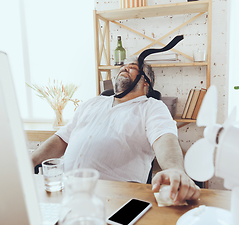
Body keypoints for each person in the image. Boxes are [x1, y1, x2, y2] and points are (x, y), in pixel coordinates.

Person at [31, 58, 200, 204]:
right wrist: (31, 160)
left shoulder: (152, 107)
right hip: (64, 192)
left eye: (132, 67)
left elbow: (165, 138)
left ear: (146, 81)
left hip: (115, 199)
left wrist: (174, 169)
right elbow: (62, 137)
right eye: (123, 66)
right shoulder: (93, 103)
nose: (124, 68)